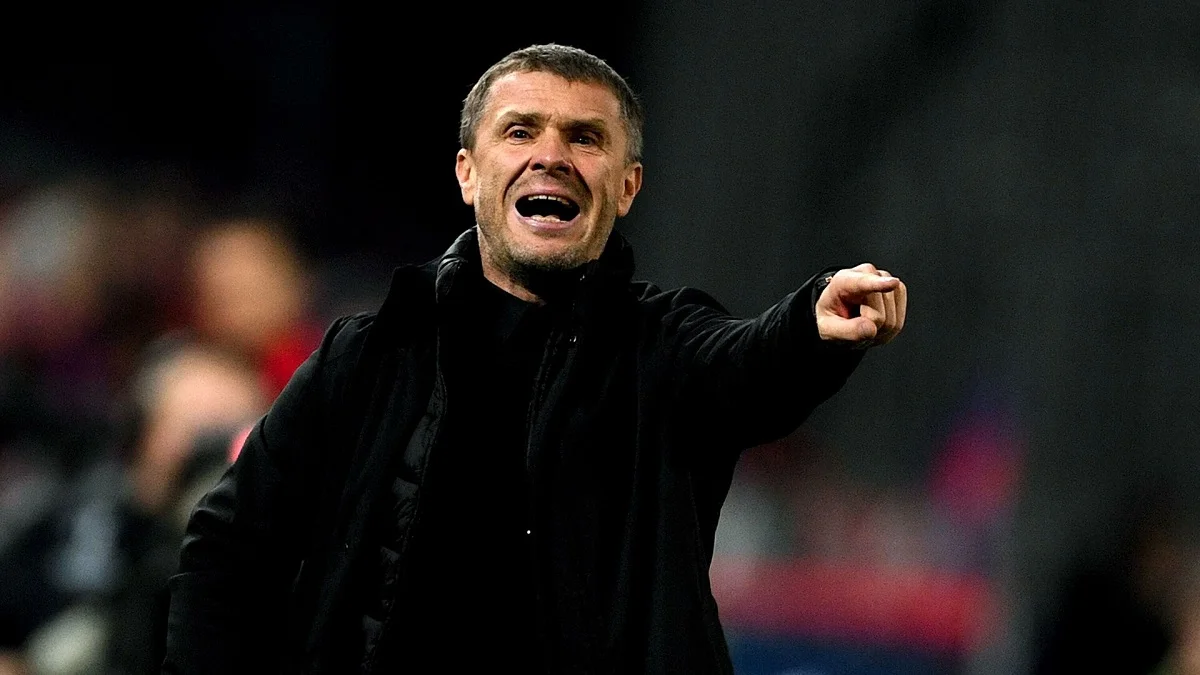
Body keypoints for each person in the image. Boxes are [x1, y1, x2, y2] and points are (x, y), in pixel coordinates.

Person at [162, 43, 907, 674]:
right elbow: (228, 547)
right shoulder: (367, 357)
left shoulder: (665, 348)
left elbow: (749, 364)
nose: (551, 156)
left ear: (627, 186)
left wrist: (811, 323)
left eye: (585, 138)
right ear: (467, 172)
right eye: (521, 131)